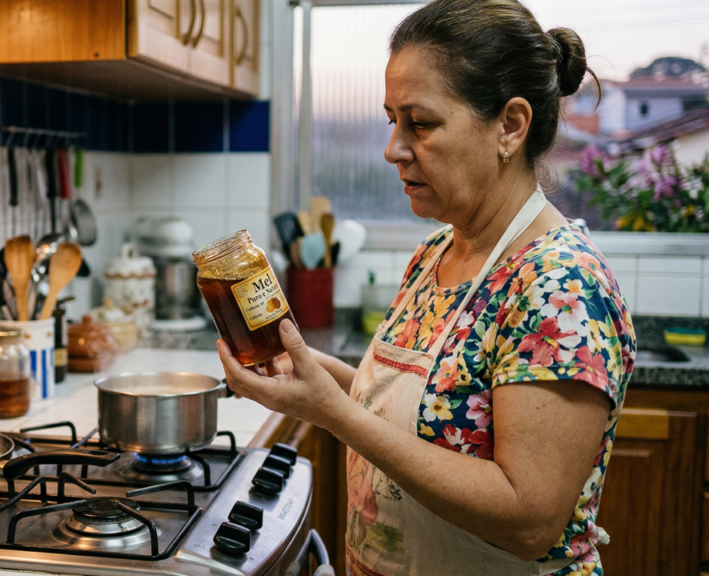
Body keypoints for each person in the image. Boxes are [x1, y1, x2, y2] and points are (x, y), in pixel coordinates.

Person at [217, 1, 636, 575]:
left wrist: (333, 414)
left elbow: (529, 518)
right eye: (392, 119)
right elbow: (417, 408)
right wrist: (303, 369)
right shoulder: (440, 252)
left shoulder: (561, 286)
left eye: (421, 122)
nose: (393, 147)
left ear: (510, 125)